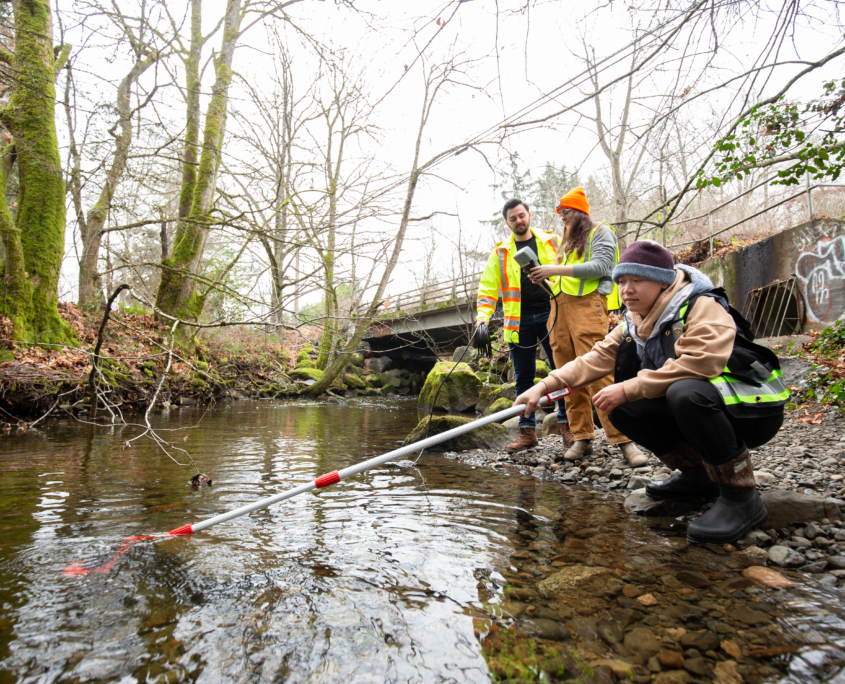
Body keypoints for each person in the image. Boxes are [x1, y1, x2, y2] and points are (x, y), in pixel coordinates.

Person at [516, 240, 789, 544]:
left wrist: (630, 387)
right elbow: (590, 362)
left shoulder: (701, 305)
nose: (626, 289)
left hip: (752, 411)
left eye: (637, 280)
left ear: (663, 282)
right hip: (709, 406)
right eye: (621, 281)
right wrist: (542, 386)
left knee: (683, 392)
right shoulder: (633, 324)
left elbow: (702, 363)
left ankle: (742, 496)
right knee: (619, 407)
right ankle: (699, 476)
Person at [527, 187, 647, 466]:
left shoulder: (600, 232)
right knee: (566, 376)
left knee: (599, 372)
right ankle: (582, 438)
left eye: (566, 213)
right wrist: (543, 278)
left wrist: (552, 269)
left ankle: (623, 439)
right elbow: (562, 278)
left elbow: (601, 266)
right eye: (560, 215)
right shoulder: (566, 244)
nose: (563, 219)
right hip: (558, 310)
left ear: (579, 212)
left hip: (587, 307)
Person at [476, 198, 567, 453]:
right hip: (519, 320)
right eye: (513, 218)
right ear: (507, 223)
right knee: (523, 378)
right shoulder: (501, 252)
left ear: (529, 215)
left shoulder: (551, 241)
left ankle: (567, 426)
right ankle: (527, 432)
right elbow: (487, 289)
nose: (519, 220)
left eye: (522, 215)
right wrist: (482, 317)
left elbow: (568, 269)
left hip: (553, 313)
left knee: (560, 371)